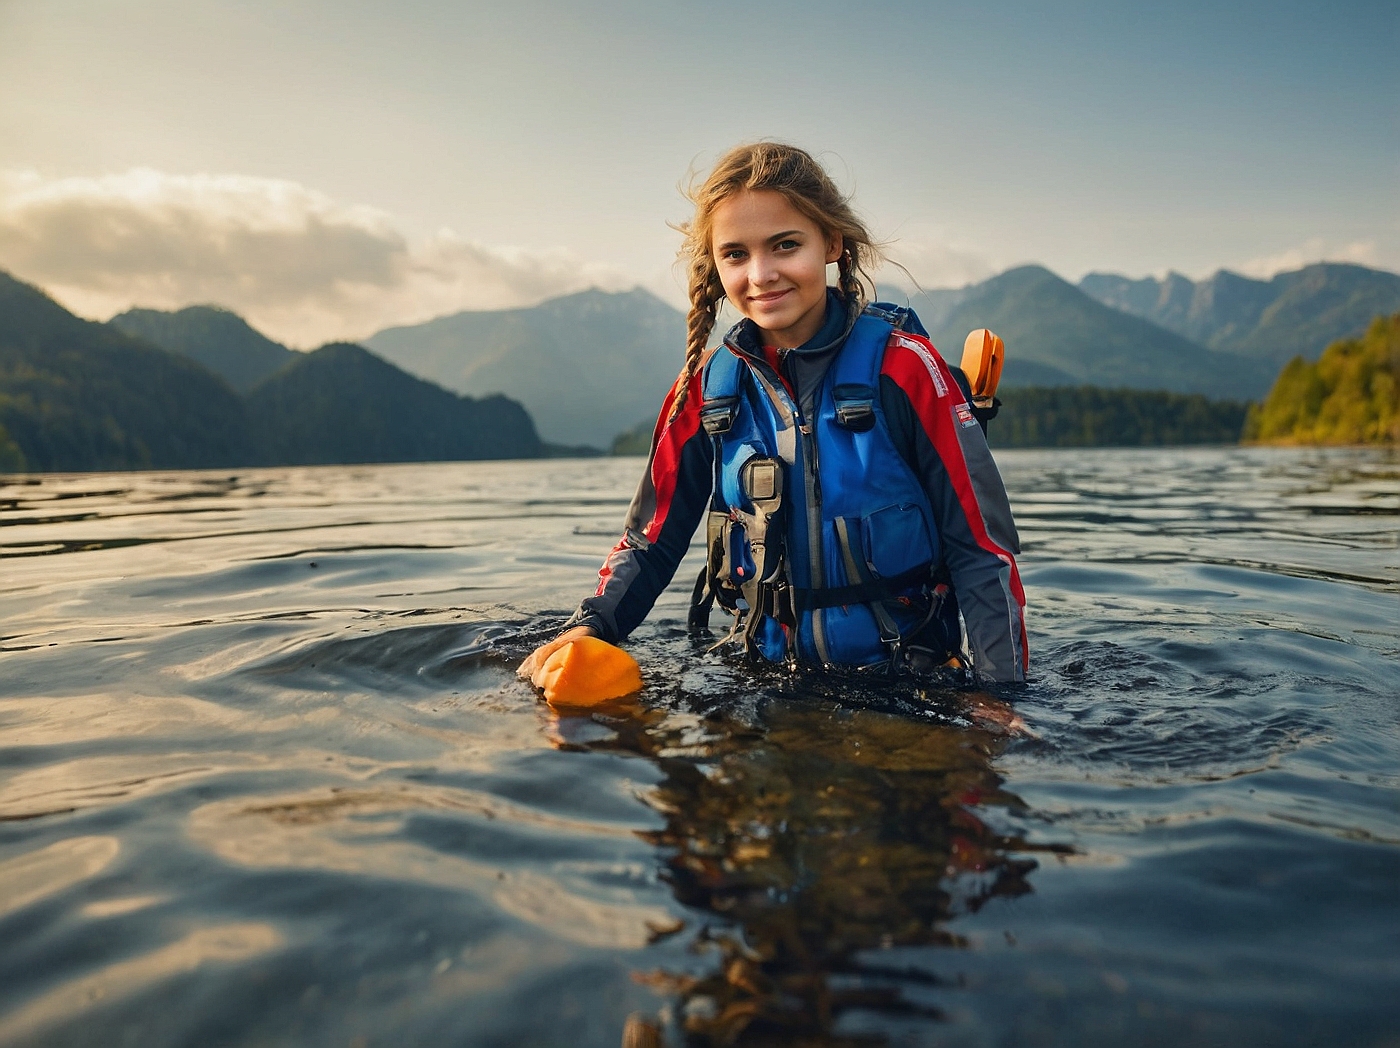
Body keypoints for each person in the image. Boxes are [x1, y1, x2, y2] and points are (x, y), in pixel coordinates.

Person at [519, 142, 1026, 685]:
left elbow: (982, 550)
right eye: (735, 254)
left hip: (908, 683)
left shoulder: (905, 370)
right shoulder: (704, 389)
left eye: (785, 245)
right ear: (713, 265)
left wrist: (999, 700)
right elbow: (651, 541)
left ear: (832, 242)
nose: (761, 274)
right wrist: (590, 627)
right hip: (761, 682)